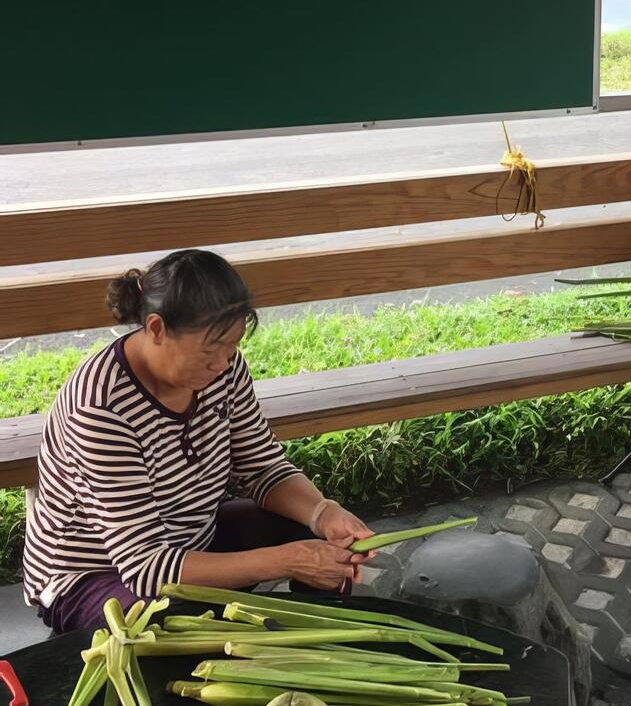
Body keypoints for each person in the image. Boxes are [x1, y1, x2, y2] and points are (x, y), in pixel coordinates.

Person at [23, 249, 375, 632]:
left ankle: (313, 646)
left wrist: (324, 512)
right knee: (175, 630)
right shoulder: (101, 409)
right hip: (97, 573)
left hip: (192, 538)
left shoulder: (221, 370)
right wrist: (287, 560)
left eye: (233, 345)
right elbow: (147, 568)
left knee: (327, 547)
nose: (224, 363)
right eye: (211, 348)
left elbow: (263, 466)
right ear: (156, 329)